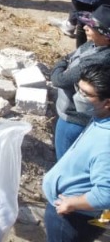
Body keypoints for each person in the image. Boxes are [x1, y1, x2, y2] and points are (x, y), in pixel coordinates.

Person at [43, 61, 110, 241]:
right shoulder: (101, 118)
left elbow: (106, 194)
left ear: (107, 103)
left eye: (86, 94)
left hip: (72, 219)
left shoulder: (106, 143)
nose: (79, 96)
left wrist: (72, 203)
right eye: (78, 89)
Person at [52, 8, 110, 161]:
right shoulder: (92, 45)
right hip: (69, 112)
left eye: (90, 26)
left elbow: (59, 80)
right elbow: (67, 57)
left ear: (106, 36)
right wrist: (63, 64)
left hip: (74, 119)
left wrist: (60, 67)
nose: (84, 27)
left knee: (65, 162)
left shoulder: (101, 59)